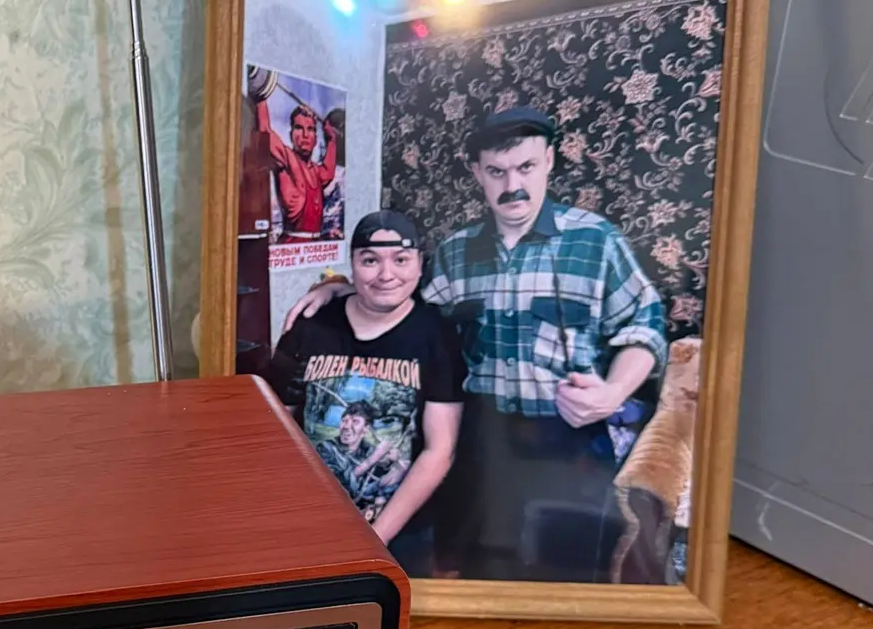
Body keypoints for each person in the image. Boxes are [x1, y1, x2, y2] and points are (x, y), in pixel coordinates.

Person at [285, 107, 668, 582]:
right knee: (485, 569)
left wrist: (613, 392)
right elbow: (399, 298)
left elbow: (646, 324)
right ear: (477, 174)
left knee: (568, 573)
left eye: (526, 167)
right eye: (497, 171)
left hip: (569, 438)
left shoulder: (596, 241)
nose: (513, 184)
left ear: (549, 160)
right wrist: (338, 287)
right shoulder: (456, 253)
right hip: (483, 439)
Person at [265, 209, 466, 578]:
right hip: (309, 528)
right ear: (353, 264)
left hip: (400, 535)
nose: (386, 274)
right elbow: (275, 433)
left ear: (420, 263)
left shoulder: (437, 335)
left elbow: (440, 450)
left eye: (401, 260)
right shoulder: (311, 325)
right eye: (370, 260)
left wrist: (373, 540)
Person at [248, 68, 341, 238]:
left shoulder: (315, 171)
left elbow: (328, 173)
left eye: (310, 129)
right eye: (299, 128)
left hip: (314, 246)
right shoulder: (286, 159)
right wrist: (261, 95)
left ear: (316, 137)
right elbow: (265, 131)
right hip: (290, 244)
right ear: (291, 134)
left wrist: (332, 141)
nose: (305, 135)